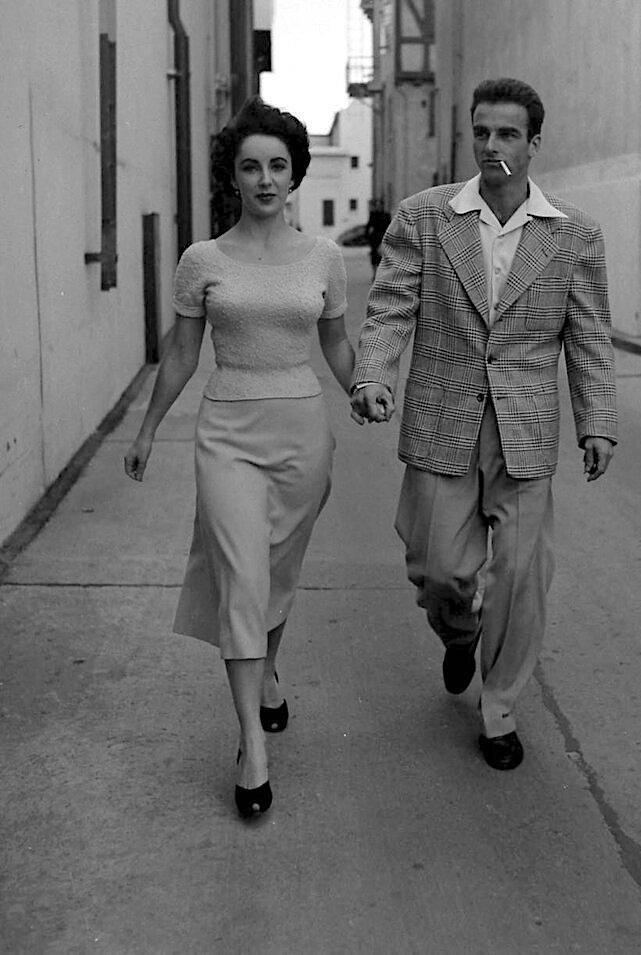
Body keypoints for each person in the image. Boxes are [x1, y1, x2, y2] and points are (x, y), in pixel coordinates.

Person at [351, 78, 617, 770]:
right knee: (437, 569)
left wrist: (597, 420)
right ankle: (458, 631)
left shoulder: (573, 236)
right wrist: (374, 374)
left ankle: (498, 707)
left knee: (523, 576)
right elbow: (389, 310)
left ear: (533, 143)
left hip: (524, 431)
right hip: (443, 419)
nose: (491, 145)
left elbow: (589, 337)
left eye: (506, 134)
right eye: (481, 132)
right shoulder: (423, 217)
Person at [124, 96, 359, 818]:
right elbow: (183, 352)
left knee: (278, 570)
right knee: (241, 575)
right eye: (250, 166)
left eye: (277, 166)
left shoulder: (323, 257)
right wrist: (147, 427)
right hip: (226, 428)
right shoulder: (202, 260)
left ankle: (268, 674)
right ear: (232, 176)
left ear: (294, 175)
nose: (264, 178)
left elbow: (338, 345)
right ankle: (251, 744)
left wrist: (367, 390)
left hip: (301, 431)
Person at [364, 198, 392, 274]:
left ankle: (381, 273)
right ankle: (375, 273)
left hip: (383, 238)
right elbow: (369, 226)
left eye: (380, 205)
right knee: (374, 257)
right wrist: (367, 236)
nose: (378, 206)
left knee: (382, 257)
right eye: (377, 205)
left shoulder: (386, 215)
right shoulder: (373, 215)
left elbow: (389, 227)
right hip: (374, 239)